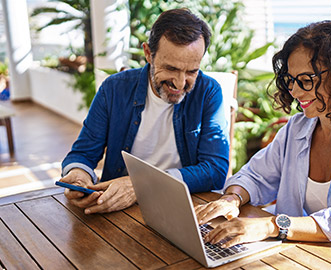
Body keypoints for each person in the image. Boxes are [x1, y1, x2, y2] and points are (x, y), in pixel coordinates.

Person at [195, 21, 331, 270]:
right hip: (300, 258)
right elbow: (256, 176)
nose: (296, 91)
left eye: (306, 80)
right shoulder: (298, 128)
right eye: (291, 80)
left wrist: (270, 225)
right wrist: (233, 199)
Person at [60, 9, 230, 215]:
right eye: (171, 69)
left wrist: (142, 185)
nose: (180, 83)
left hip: (182, 206)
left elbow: (215, 170)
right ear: (148, 54)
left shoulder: (209, 92)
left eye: (192, 71)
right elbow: (83, 153)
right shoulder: (113, 88)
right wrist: (79, 175)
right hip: (118, 208)